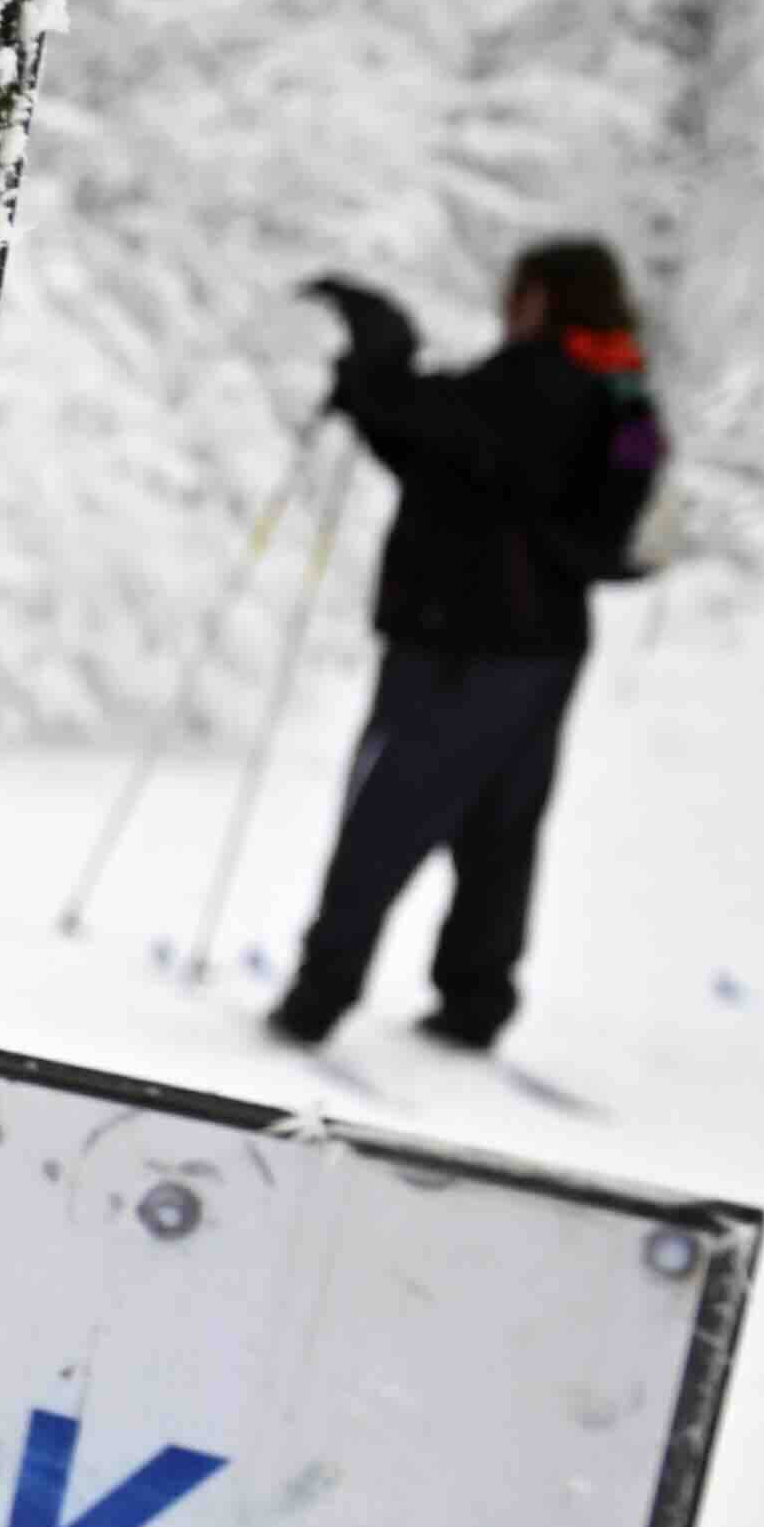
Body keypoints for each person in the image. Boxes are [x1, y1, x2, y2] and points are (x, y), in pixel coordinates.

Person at [259, 235, 663, 1062]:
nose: (507, 304)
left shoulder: (534, 380)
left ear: (542, 296)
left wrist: (380, 357)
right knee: (499, 824)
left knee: (391, 805)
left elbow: (434, 422)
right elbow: (447, 455)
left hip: (463, 638)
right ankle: (476, 999)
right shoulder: (620, 388)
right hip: (545, 646)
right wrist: (376, 389)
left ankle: (319, 995)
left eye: (517, 289)